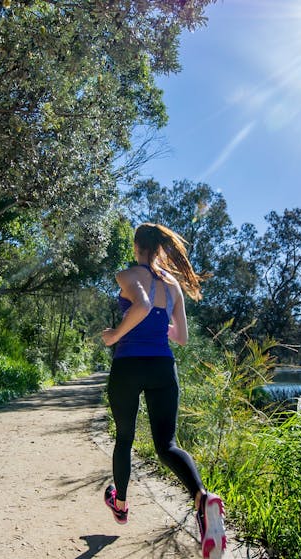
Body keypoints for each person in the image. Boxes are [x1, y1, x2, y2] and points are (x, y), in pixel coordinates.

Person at [101, 222, 227, 559]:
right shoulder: (173, 285)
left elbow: (140, 307)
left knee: (125, 437)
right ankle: (202, 496)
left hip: (129, 365)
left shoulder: (127, 275)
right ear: (159, 248)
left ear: (136, 246)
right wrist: (161, 324)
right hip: (162, 367)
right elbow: (181, 337)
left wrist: (115, 335)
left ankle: (121, 504)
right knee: (166, 445)